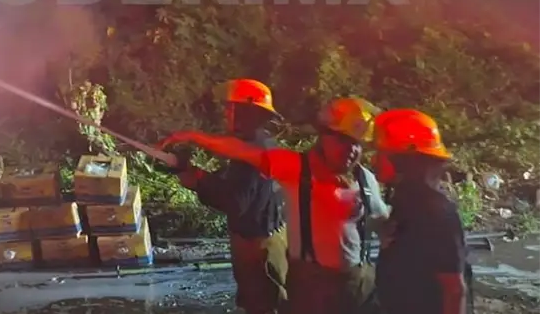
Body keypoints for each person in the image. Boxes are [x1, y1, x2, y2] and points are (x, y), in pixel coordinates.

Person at [160, 96, 389, 314]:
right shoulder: (296, 169)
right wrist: (192, 137)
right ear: (324, 136)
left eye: (357, 144)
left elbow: (383, 222)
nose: (352, 150)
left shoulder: (365, 178)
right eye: (344, 141)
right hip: (311, 289)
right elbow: (241, 150)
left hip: (357, 285)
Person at [169, 79, 288, 314]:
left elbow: (235, 201)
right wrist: (198, 175)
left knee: (262, 306)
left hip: (258, 250)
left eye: (231, 108)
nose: (227, 114)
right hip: (268, 243)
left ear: (247, 112)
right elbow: (232, 182)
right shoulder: (262, 144)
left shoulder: (251, 153)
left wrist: (198, 180)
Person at [372, 109, 469, 314]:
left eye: (381, 154)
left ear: (405, 161)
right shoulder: (408, 204)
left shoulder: (436, 212)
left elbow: (454, 289)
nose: (374, 161)